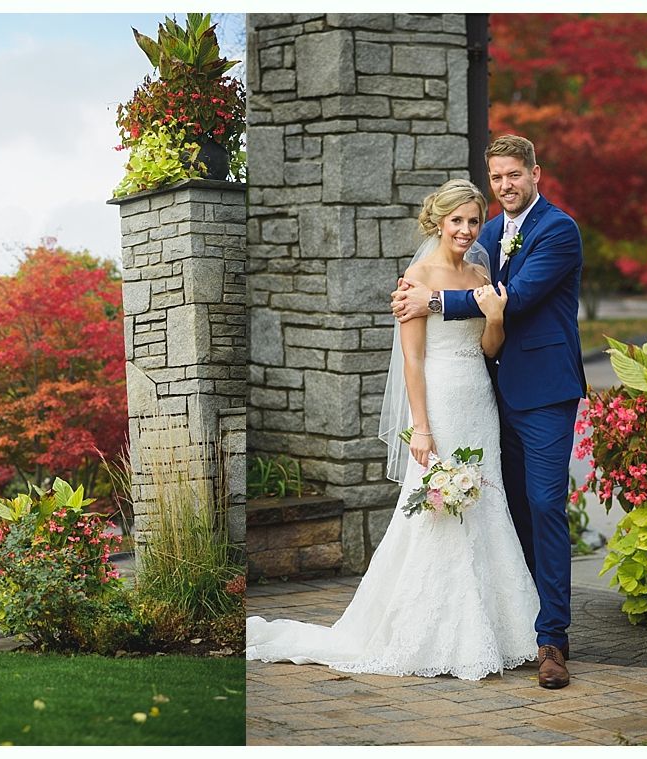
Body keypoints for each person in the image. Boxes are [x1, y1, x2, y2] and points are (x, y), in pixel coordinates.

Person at [246, 180, 540, 681]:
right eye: (458, 221)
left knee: (486, 504)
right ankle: (432, 632)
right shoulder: (417, 277)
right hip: (439, 401)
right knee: (435, 510)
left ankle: (498, 629)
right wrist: (420, 428)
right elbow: (412, 358)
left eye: (474, 221)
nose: (468, 230)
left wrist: (494, 316)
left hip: (478, 401)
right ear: (439, 222)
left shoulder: (480, 270)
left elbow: (491, 348)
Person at [391, 135, 585, 689]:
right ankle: (518, 625)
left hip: (545, 391)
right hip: (487, 392)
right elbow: (470, 292)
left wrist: (429, 303)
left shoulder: (558, 230)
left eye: (514, 176)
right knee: (507, 512)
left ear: (535, 173)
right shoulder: (489, 232)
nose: (505, 186)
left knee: (545, 505)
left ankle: (552, 641)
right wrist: (422, 290)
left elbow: (515, 298)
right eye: (497, 177)